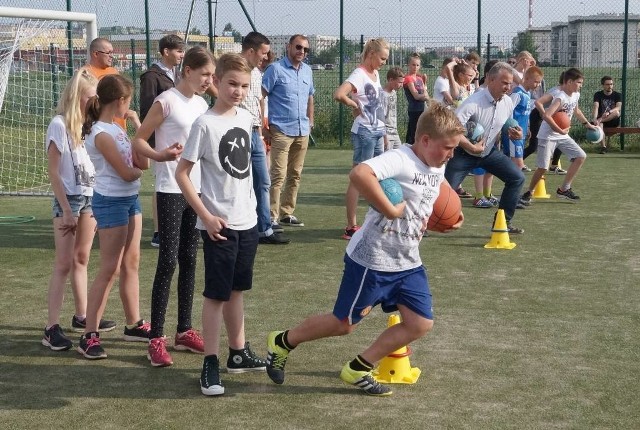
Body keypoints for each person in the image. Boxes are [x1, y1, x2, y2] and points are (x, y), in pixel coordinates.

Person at [264, 103, 465, 396]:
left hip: (408, 260)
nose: (451, 154)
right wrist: (390, 210)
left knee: (420, 323)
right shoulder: (400, 159)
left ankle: (358, 367)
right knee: (343, 324)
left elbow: (431, 195)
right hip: (373, 260)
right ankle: (282, 341)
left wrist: (448, 217)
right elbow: (360, 174)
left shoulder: (438, 164)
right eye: (448, 147)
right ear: (424, 140)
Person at [175, 53, 268, 396]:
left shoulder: (245, 119)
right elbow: (182, 173)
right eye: (232, 83)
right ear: (217, 82)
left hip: (248, 221)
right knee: (216, 294)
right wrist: (206, 215)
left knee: (236, 290)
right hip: (219, 225)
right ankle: (210, 361)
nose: (238, 91)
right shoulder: (204, 123)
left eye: (244, 86)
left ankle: (238, 353)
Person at [132, 46, 215, 367]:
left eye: (211, 75)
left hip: (197, 192)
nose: (210, 80)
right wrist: (160, 156)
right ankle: (156, 339)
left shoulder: (202, 104)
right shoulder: (165, 100)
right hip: (169, 189)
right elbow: (139, 139)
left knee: (190, 260)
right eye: (205, 74)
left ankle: (184, 331)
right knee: (167, 261)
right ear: (188, 71)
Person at [42, 70, 117, 351]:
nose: (95, 101)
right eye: (91, 96)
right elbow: (53, 171)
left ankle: (82, 316)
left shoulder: (89, 125)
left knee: (82, 258)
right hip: (70, 201)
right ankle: (51, 327)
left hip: (89, 197)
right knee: (63, 263)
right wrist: (65, 209)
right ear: (80, 97)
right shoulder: (59, 125)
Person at [78, 75, 150, 359]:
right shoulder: (101, 133)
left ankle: (134, 324)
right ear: (120, 100)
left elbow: (143, 159)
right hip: (111, 203)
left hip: (130, 200)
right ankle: (89, 334)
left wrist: (135, 124)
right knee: (109, 268)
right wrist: (137, 171)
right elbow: (127, 171)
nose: (128, 107)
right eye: (128, 102)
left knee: (131, 263)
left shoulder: (118, 129)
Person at [444, 62, 526, 234]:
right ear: (490, 79)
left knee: (517, 178)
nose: (508, 87)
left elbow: (507, 124)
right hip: (463, 153)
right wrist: (471, 147)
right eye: (504, 82)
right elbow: (452, 131)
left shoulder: (507, 102)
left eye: (510, 83)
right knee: (444, 192)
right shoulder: (473, 102)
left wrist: (515, 132)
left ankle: (503, 223)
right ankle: (423, 223)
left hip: (488, 152)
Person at [333, 38, 389, 240]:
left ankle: (377, 221)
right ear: (371, 54)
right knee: (358, 180)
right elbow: (339, 94)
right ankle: (351, 227)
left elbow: (376, 105)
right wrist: (353, 105)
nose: (384, 62)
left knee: (378, 178)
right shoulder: (359, 74)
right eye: (382, 58)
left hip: (376, 131)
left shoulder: (375, 74)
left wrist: (383, 132)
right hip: (364, 132)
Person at [239, 32, 289, 245]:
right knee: (239, 182)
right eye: (263, 53)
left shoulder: (258, 73)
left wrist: (260, 130)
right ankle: (240, 226)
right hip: (237, 133)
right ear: (251, 51)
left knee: (263, 179)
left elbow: (260, 100)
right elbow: (215, 86)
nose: (266, 57)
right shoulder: (233, 68)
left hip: (255, 132)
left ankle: (264, 228)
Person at [520, 68, 596, 204]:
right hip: (548, 135)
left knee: (581, 156)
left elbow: (577, 111)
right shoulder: (560, 96)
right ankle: (528, 192)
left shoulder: (575, 95)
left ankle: (564, 189)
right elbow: (547, 116)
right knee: (543, 167)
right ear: (570, 82)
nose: (581, 85)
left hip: (562, 134)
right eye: (579, 82)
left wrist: (588, 125)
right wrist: (560, 130)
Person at [262, 35, 315, 230]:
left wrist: (311, 121)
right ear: (289, 47)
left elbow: (310, 96)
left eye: (306, 49)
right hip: (281, 130)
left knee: (295, 174)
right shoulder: (275, 69)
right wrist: (262, 125)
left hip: (302, 130)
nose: (302, 52)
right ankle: (271, 216)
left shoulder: (308, 71)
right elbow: (261, 96)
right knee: (278, 174)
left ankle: (287, 213)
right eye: (299, 47)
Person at [139, 34, 186, 248]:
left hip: (179, 139)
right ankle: (159, 231)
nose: (181, 55)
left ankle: (180, 226)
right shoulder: (151, 76)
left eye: (183, 51)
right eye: (178, 51)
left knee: (180, 181)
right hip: (161, 141)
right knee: (163, 184)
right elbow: (148, 111)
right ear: (166, 52)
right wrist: (151, 144)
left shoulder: (177, 75)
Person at [501, 66, 544, 171]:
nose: (538, 85)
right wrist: (510, 128)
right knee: (517, 165)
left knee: (514, 165)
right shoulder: (517, 93)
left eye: (539, 82)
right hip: (514, 133)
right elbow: (507, 111)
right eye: (536, 82)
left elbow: (525, 113)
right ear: (527, 78)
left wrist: (528, 127)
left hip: (521, 132)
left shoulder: (527, 93)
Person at [79, 37, 126, 131]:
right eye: (108, 53)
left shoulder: (114, 71)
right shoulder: (85, 74)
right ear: (96, 54)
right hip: (98, 129)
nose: (111, 56)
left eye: (112, 52)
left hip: (118, 128)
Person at [523, 72, 566, 174]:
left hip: (551, 117)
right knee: (534, 145)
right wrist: (544, 114)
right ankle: (516, 161)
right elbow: (538, 103)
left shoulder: (568, 93)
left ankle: (554, 166)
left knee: (561, 139)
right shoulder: (556, 92)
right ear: (567, 82)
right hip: (537, 116)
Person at [403, 53, 429, 145]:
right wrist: (425, 97)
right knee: (413, 134)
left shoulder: (419, 78)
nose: (415, 67)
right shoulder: (408, 78)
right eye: (413, 65)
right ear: (409, 65)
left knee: (421, 132)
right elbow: (416, 96)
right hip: (414, 110)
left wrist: (425, 82)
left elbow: (425, 91)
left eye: (417, 65)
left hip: (422, 109)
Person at [592, 75, 622, 154]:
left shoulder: (617, 95)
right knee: (599, 124)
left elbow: (618, 107)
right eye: (607, 84)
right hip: (601, 120)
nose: (610, 86)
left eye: (611, 84)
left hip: (613, 120)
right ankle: (603, 147)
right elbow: (596, 106)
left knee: (616, 112)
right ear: (603, 85)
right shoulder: (598, 94)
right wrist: (595, 118)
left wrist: (609, 112)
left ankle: (600, 120)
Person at [381, 66, 405, 151]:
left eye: (402, 83)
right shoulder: (383, 95)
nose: (401, 85)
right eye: (399, 82)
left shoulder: (394, 93)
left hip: (394, 132)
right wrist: (384, 137)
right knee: (386, 159)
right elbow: (381, 117)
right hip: (387, 133)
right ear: (391, 80)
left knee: (399, 156)